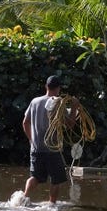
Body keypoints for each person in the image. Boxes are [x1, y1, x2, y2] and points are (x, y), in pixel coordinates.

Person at [22, 75, 77, 204]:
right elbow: (70, 124)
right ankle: (52, 205)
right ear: (58, 89)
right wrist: (74, 107)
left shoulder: (34, 101)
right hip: (52, 149)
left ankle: (23, 199)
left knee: (35, 177)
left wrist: (31, 140)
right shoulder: (58, 103)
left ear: (46, 86)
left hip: (36, 148)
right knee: (56, 180)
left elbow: (25, 122)